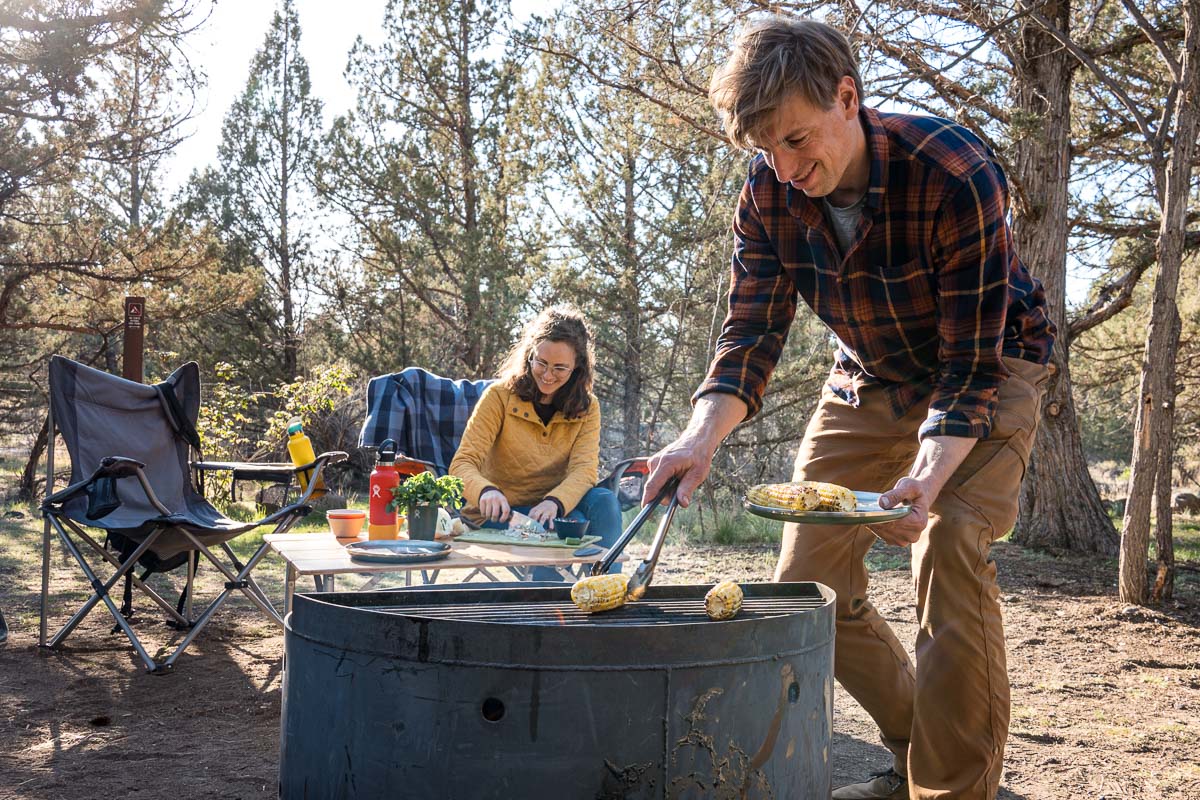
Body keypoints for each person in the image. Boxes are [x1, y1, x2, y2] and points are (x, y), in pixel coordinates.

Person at [641, 16, 1056, 800]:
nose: (786, 166)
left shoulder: (953, 171)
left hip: (991, 365)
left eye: (798, 140)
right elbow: (750, 333)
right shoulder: (767, 195)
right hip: (867, 377)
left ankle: (953, 789)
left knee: (950, 543)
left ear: (848, 97)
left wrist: (928, 480)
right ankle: (912, 755)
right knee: (806, 586)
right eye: (766, 149)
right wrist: (699, 439)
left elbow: (969, 367)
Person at [450, 305, 623, 581]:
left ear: (577, 367)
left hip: (554, 505)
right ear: (529, 354)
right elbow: (462, 463)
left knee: (605, 502)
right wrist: (486, 492)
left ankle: (605, 588)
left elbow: (584, 470)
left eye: (560, 368)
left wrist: (554, 501)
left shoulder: (588, 408)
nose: (547, 375)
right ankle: (549, 606)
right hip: (503, 510)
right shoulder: (499, 397)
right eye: (540, 363)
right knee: (570, 522)